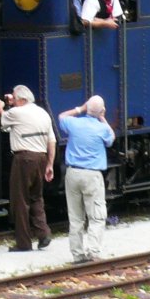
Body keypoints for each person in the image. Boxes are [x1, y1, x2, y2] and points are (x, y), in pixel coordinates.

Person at [0, 85, 55, 252]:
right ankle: (43, 233)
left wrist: (1, 106)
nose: (12, 100)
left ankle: (23, 243)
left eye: (14, 98)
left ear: (22, 99)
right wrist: (50, 164)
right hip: (41, 158)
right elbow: (52, 141)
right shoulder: (43, 113)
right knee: (36, 197)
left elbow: (3, 121)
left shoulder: (16, 112)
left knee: (20, 200)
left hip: (23, 158)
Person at [58, 95, 115, 263]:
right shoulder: (102, 128)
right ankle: (93, 252)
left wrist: (80, 109)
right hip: (92, 176)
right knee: (96, 216)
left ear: (86, 108)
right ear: (102, 111)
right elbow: (111, 137)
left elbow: (61, 116)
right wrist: (102, 116)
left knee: (76, 218)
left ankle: (77, 255)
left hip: (72, 174)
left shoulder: (74, 123)